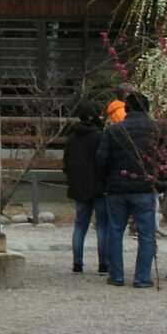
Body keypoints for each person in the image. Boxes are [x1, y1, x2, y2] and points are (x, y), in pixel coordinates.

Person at [95, 89, 167, 289]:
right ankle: (142, 277)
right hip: (145, 186)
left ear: (127, 108)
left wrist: (109, 178)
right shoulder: (158, 129)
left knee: (115, 231)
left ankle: (117, 275)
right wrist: (162, 179)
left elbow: (101, 159)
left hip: (117, 186)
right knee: (146, 234)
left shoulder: (113, 130)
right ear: (147, 108)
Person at [61, 100, 112, 276]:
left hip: (79, 185)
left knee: (80, 225)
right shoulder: (100, 136)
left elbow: (66, 162)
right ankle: (103, 264)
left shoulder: (72, 138)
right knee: (102, 225)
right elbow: (104, 161)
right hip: (99, 185)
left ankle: (77, 263)